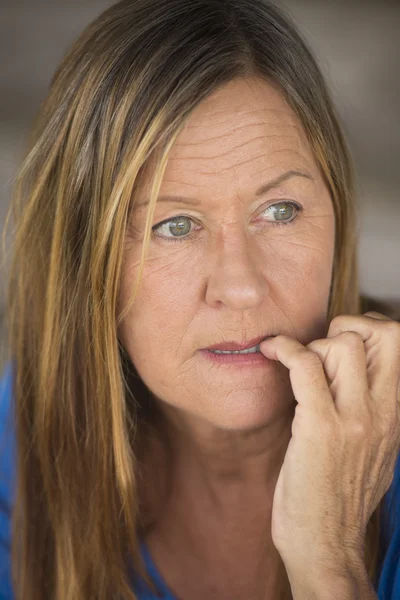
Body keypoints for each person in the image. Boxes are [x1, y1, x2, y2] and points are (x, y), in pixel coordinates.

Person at [0, 0, 400, 599]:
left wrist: (328, 559)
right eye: (176, 226)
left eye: (280, 211)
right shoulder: (22, 445)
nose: (241, 287)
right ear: (89, 263)